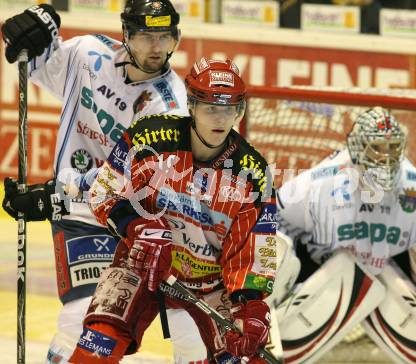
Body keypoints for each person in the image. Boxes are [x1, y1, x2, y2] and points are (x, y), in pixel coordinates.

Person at [1, 1, 190, 362]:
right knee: (79, 318)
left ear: (175, 39)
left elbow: (131, 178)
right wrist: (36, 25)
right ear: (127, 35)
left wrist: (53, 194)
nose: (156, 48)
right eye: (147, 36)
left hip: (129, 222)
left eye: (165, 37)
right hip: (79, 214)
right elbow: (33, 59)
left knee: (106, 326)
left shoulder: (172, 107)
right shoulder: (88, 54)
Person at [67, 57, 277, 364]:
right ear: (191, 105)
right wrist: (137, 226)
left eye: (229, 109)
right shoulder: (147, 137)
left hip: (210, 283)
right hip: (141, 261)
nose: (220, 119)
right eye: (210, 108)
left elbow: (253, 252)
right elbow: (104, 193)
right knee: (96, 345)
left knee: (244, 356)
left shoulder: (254, 175)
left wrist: (252, 305)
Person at [275, 107, 416, 363]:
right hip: (325, 276)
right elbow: (274, 219)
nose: (386, 159)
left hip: (392, 281)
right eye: (377, 148)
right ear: (356, 148)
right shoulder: (318, 184)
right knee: (271, 249)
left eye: (393, 148)